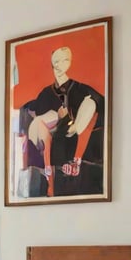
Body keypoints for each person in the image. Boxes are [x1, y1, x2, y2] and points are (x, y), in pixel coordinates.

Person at [20, 46, 104, 197]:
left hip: (76, 134)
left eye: (65, 60)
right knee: (43, 120)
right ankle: (48, 174)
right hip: (50, 136)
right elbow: (36, 114)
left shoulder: (80, 89)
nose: (60, 64)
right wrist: (57, 116)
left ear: (70, 63)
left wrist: (75, 123)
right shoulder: (46, 93)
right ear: (52, 64)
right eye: (56, 61)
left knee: (91, 103)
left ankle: (76, 161)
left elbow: (98, 105)